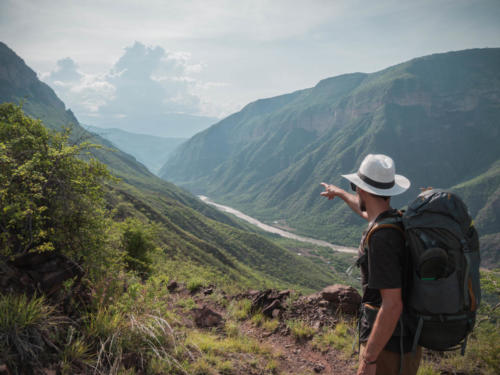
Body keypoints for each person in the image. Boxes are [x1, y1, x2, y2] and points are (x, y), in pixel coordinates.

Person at [320, 154, 421, 375]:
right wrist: (341, 194)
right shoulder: (394, 220)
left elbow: (392, 305)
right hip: (404, 340)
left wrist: (369, 359)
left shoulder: (382, 239)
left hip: (389, 347)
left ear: (362, 189)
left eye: (354, 186)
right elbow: (369, 213)